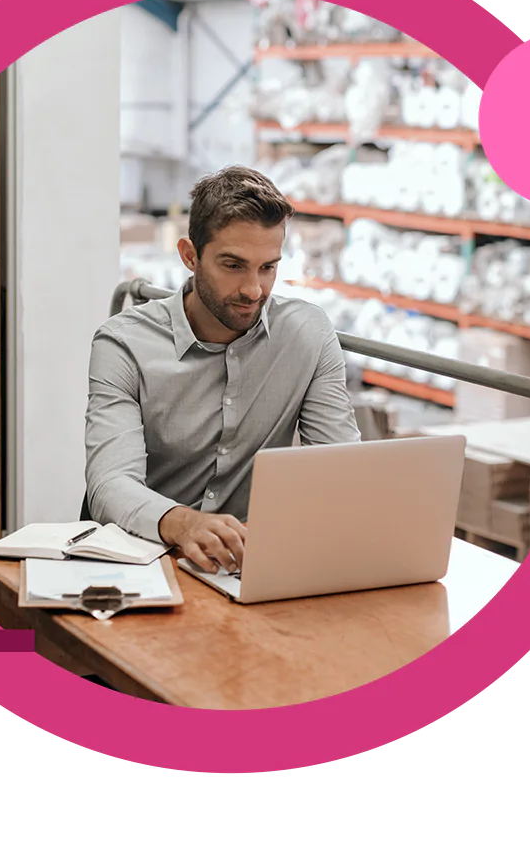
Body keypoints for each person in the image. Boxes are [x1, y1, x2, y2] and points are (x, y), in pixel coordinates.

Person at [84, 165, 361, 576]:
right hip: (145, 562)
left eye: (268, 267)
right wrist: (183, 523)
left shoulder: (308, 333)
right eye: (233, 265)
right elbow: (109, 485)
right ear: (190, 256)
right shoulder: (123, 344)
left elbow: (342, 468)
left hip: (246, 566)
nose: (254, 290)